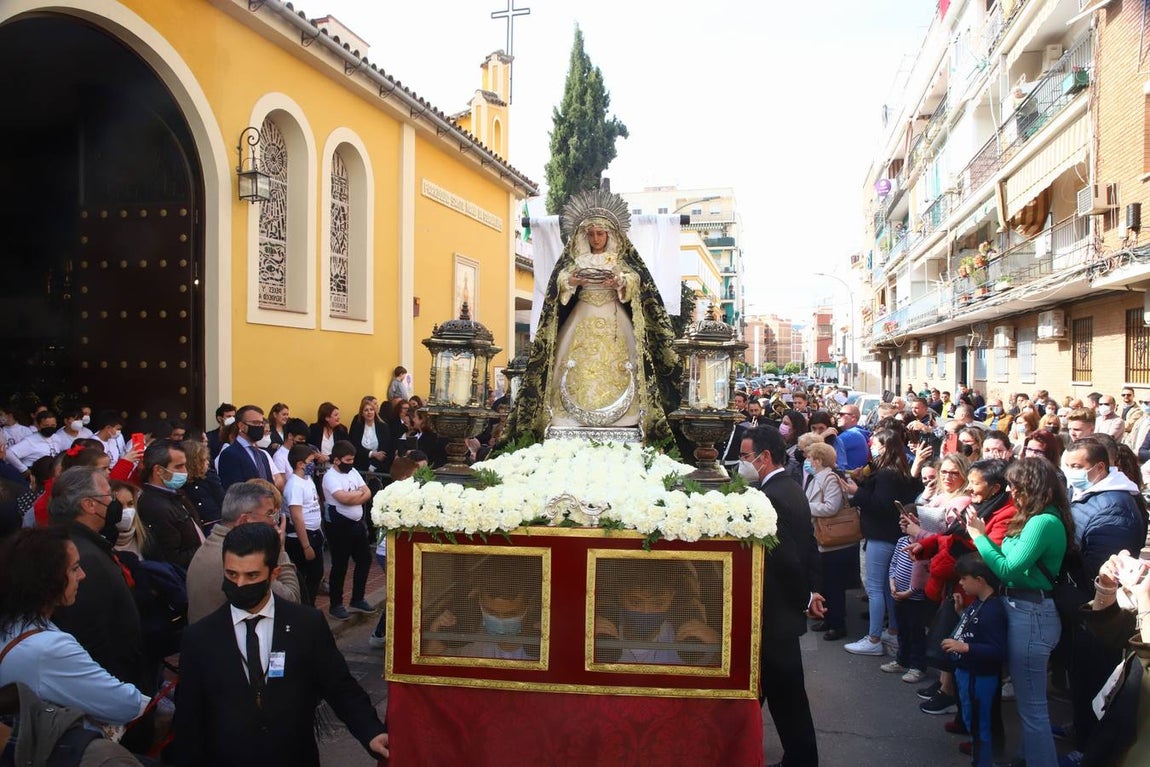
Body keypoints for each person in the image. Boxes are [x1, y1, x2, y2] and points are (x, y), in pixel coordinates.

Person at [172, 524, 388, 766]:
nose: (240, 584)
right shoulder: (200, 637)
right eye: (232, 574)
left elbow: (339, 686)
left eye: (252, 575)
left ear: (273, 574)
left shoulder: (306, 624)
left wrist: (371, 731)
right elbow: (188, 721)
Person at [503, 188, 681, 443]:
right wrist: (571, 280)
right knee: (574, 363)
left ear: (610, 234)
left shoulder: (620, 257)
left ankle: (625, 417)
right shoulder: (578, 257)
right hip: (582, 313)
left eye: (600, 233)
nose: (596, 238)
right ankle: (566, 416)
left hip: (614, 316)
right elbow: (560, 280)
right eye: (591, 234)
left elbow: (637, 280)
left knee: (620, 363)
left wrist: (621, 281)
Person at [967, 457, 1073, 767]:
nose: (1011, 492)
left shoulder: (1043, 522)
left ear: (1031, 487)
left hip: (1032, 613)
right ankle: (1029, 756)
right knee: (1031, 705)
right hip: (1024, 610)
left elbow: (1008, 569)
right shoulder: (1035, 518)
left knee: (1032, 707)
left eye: (1016, 486)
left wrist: (979, 538)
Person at [0, 527, 149, 728]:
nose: (82, 575)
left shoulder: (14, 620)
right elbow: (124, 705)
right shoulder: (49, 648)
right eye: (74, 568)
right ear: (46, 577)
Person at [740, 425, 821, 767]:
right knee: (777, 693)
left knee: (786, 697)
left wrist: (805, 598)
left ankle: (800, 759)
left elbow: (787, 556)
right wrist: (813, 591)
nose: (742, 463)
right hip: (783, 612)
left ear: (765, 457)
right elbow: (809, 547)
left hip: (776, 614)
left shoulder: (772, 496)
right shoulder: (789, 487)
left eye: (745, 456)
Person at [1063, 438, 1148, 753]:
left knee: (1094, 679)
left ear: (1100, 468)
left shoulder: (1115, 507)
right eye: (1067, 465)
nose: (1070, 473)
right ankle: (1080, 730)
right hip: (1084, 607)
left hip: (1098, 613)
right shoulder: (1093, 496)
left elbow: (1104, 571)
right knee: (1083, 678)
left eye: (1076, 467)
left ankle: (1087, 748)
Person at [46, 467, 150, 697]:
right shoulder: (81, 557)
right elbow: (95, 637)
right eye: (109, 497)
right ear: (89, 505)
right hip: (116, 684)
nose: (114, 503)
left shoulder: (82, 543)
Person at [840, 428, 923, 658]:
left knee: (876, 588)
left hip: (881, 535)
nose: (871, 447)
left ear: (885, 447)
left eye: (875, 444)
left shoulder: (887, 474)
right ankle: (892, 630)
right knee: (887, 587)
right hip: (889, 535)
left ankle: (874, 637)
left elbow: (881, 505)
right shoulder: (897, 471)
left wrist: (857, 491)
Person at [185, 481, 300, 624]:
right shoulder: (240, 558)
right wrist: (279, 549)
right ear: (245, 520)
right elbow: (292, 599)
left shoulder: (212, 545)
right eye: (269, 514)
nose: (273, 522)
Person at [941, 554, 1008, 767]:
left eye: (963, 578)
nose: (960, 583)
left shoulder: (993, 609)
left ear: (980, 580)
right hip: (967, 673)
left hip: (980, 678)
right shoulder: (979, 603)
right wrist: (961, 612)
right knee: (973, 722)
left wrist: (965, 647)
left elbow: (997, 650)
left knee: (981, 727)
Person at [803, 440, 852, 641]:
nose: (807, 461)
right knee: (826, 582)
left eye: (809, 457)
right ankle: (828, 618)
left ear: (818, 460)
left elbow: (832, 507)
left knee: (834, 585)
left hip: (834, 541)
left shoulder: (829, 478)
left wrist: (806, 507)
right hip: (821, 538)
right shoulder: (818, 478)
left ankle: (837, 624)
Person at [323, 441, 375, 621]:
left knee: (364, 559)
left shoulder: (352, 472)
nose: (351, 463)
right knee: (340, 565)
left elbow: (367, 492)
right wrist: (357, 496)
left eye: (352, 459)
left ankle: (357, 598)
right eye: (347, 460)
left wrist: (356, 496)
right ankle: (335, 604)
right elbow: (342, 498)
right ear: (336, 460)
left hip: (357, 523)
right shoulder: (330, 477)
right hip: (339, 526)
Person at [136, 440, 202, 569]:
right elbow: (171, 558)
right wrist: (204, 550)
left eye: (185, 465)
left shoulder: (176, 494)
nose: (184, 471)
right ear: (158, 470)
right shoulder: (154, 507)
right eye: (178, 466)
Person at [283, 444, 324, 606]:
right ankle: (304, 608)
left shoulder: (307, 480)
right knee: (302, 577)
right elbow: (297, 516)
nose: (312, 465)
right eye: (310, 461)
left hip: (315, 534)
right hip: (301, 538)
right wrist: (306, 546)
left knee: (316, 574)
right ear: (300, 464)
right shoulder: (294, 485)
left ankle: (309, 605)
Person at [218, 405, 280, 491]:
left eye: (261, 423)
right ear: (241, 426)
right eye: (255, 423)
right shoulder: (230, 454)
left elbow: (270, 486)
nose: (259, 427)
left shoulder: (262, 455)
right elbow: (233, 490)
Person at [182, 438, 224, 532]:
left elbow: (221, 498)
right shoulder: (182, 482)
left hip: (214, 523)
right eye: (203, 460)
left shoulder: (209, 476)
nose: (207, 463)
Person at [348, 395, 391, 476]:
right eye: (366, 410)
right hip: (359, 466)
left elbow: (385, 449)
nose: (369, 412)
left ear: (375, 411)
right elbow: (354, 445)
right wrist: (371, 454)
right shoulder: (357, 426)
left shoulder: (383, 426)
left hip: (378, 467)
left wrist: (373, 467)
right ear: (362, 413)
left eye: (371, 410)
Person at [833, 405, 870, 471]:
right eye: (838, 414)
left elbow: (823, 453)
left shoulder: (851, 434)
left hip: (848, 479)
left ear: (853, 418)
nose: (837, 417)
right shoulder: (858, 432)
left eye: (841, 414)